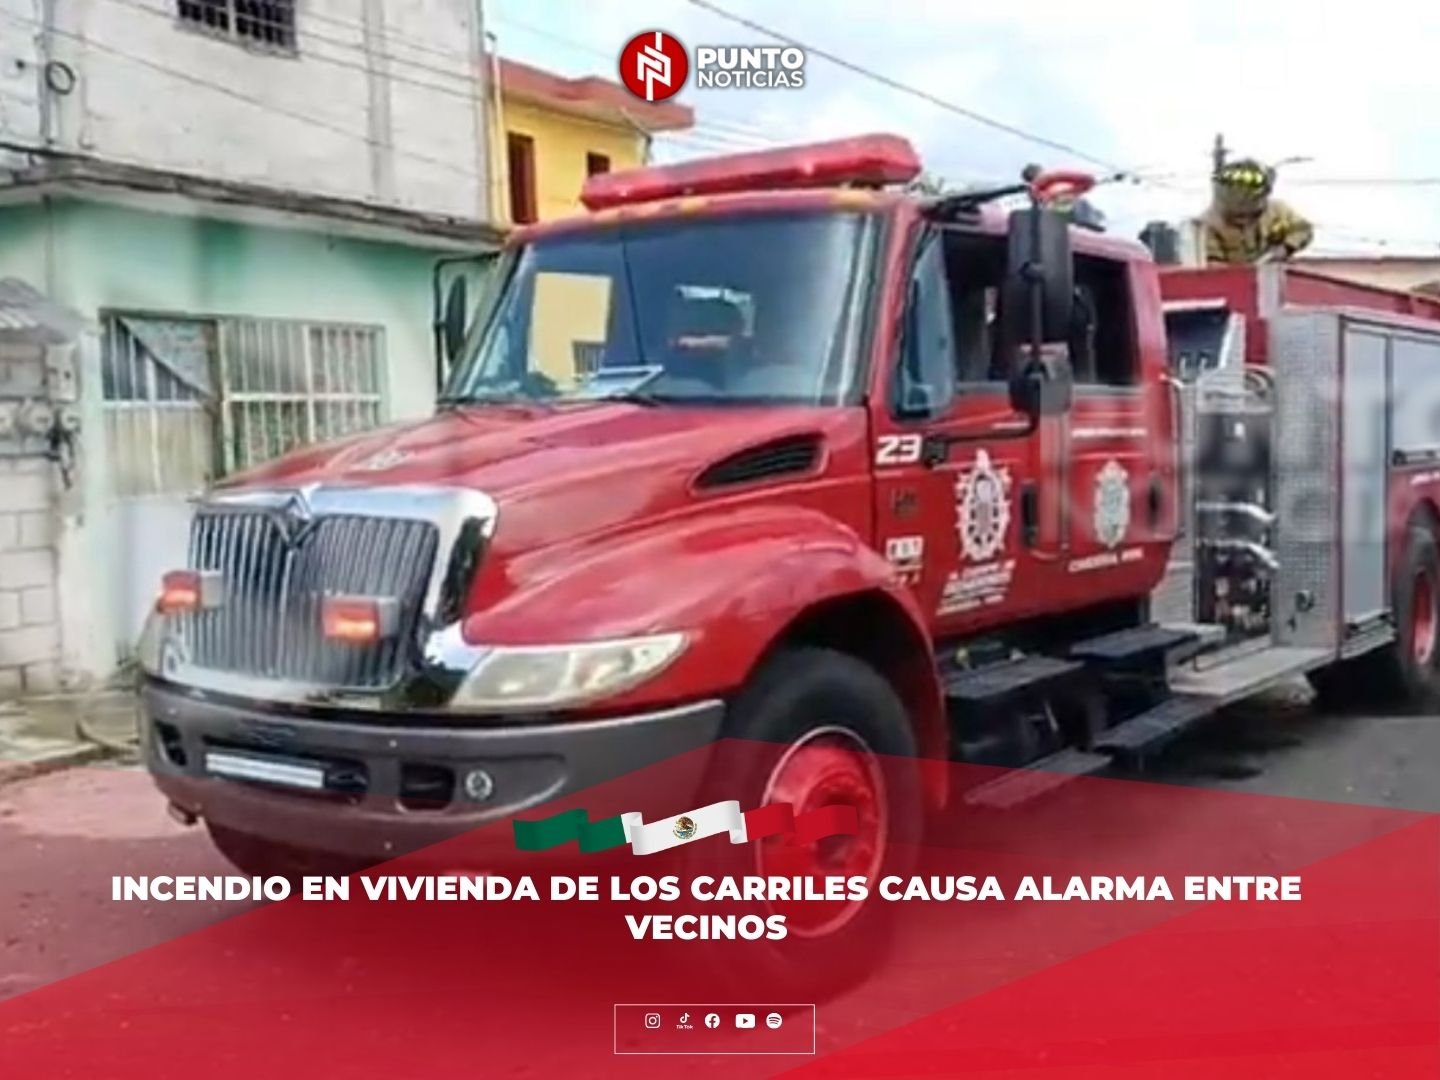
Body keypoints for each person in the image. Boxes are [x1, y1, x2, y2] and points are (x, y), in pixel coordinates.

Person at [1202, 158, 1314, 265]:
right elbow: (1209, 267)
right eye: (1237, 215)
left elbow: (1303, 229)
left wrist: (1286, 248)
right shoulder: (1205, 225)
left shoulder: (1277, 210)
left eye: (1250, 214)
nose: (1244, 221)